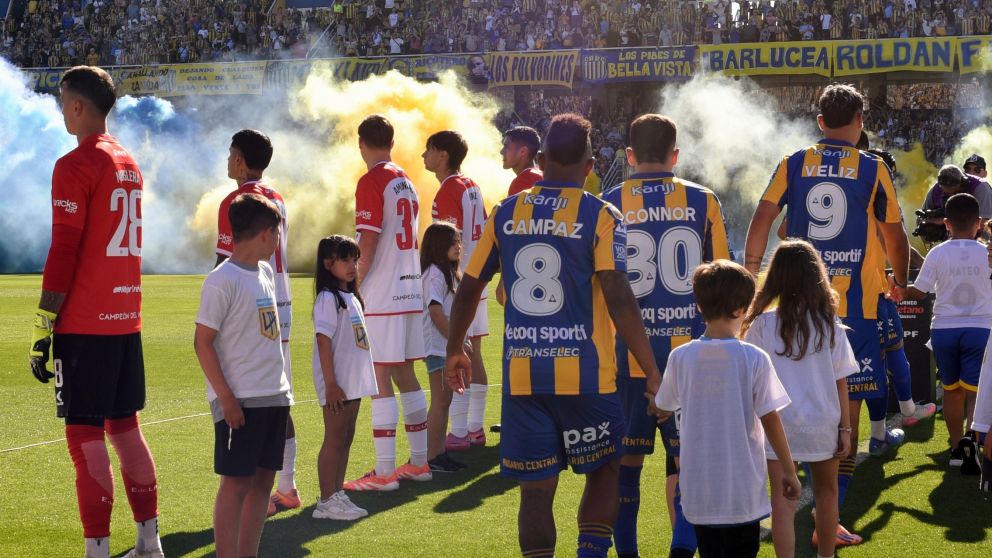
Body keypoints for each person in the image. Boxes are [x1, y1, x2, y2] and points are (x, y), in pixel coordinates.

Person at [445, 113, 663, 558]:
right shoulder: (602, 213)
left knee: (536, 491)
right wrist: (651, 371)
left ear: (540, 160)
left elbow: (468, 288)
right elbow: (619, 296)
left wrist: (455, 350)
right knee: (605, 470)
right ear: (589, 166)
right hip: (588, 376)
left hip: (524, 378)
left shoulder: (506, 212)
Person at [744, 83, 910, 547]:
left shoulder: (794, 162)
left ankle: (778, 509)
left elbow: (762, 216)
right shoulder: (873, 167)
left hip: (792, 305)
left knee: (777, 404)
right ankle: (826, 518)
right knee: (843, 421)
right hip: (852, 311)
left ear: (819, 122)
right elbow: (894, 234)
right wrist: (899, 277)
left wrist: (752, 271)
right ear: (860, 124)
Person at [29, 66, 162, 558]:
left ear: (79, 106)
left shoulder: (75, 163)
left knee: (85, 436)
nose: (61, 109)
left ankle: (97, 552)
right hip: (126, 319)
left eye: (63, 101)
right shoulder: (127, 160)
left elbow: (64, 249)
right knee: (125, 429)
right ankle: (150, 543)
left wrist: (44, 324)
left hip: (86, 323)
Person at [601, 113, 731, 558]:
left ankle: (629, 554)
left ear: (630, 156)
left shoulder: (609, 202)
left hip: (626, 359)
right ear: (676, 155)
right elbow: (725, 282)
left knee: (626, 466)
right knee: (687, 462)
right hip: (692, 359)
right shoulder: (703, 200)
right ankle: (681, 548)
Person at [656, 260, 800, 558]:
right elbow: (770, 418)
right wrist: (788, 468)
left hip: (699, 491)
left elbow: (664, 404)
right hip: (741, 492)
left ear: (698, 306)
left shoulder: (681, 357)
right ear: (741, 309)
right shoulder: (753, 358)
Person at [741, 240, 856, 558]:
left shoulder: (761, 325)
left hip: (777, 425)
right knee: (827, 492)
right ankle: (827, 556)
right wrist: (846, 429)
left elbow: (751, 381)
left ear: (776, 276)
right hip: (823, 422)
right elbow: (841, 381)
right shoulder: (830, 325)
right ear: (815, 275)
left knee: (782, 500)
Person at [194, 193, 293, 558]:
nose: (279, 241)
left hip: (274, 395)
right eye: (278, 233)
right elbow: (202, 343)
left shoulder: (265, 272)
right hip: (241, 400)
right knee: (236, 484)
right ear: (268, 234)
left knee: (264, 482)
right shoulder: (222, 280)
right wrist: (226, 398)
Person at [214, 129, 300, 516]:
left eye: (232, 154)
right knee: (277, 394)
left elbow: (225, 263)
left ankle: (254, 493)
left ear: (241, 161)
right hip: (279, 301)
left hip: (249, 305)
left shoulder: (237, 201)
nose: (228, 160)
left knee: (246, 395)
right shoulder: (278, 197)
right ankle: (287, 485)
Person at [346, 114, 430, 491]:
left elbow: (368, 240)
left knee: (379, 375)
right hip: (411, 289)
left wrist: (353, 282)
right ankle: (419, 462)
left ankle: (383, 473)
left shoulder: (372, 179)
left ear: (361, 143)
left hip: (382, 293)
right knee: (404, 373)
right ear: (392, 143)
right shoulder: (406, 180)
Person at [905, 193, 992, 475]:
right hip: (981, 328)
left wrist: (899, 290)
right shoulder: (986, 252)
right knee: (976, 392)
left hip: (944, 328)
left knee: (952, 392)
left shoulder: (937, 252)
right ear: (979, 223)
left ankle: (957, 449)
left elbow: (919, 291)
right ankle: (973, 444)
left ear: (946, 224)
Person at [422, 130, 491, 453]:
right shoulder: (473, 185)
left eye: (429, 150)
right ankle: (474, 427)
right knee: (473, 350)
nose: (424, 155)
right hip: (479, 278)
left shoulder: (449, 189)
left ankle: (461, 430)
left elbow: (448, 241)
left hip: (460, 285)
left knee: (460, 349)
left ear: (443, 155)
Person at [311, 235, 378, 520]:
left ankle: (337, 492)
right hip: (338, 382)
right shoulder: (328, 298)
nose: (353, 265)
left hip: (353, 380)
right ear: (328, 264)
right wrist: (331, 384)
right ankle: (326, 501)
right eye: (345, 260)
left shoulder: (351, 296)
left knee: (347, 437)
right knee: (335, 438)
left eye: (355, 259)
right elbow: (323, 342)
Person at [420, 222, 470, 472]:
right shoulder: (434, 274)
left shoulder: (448, 273)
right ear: (438, 246)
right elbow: (435, 311)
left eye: (459, 242)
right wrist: (456, 342)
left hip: (445, 346)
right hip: (439, 348)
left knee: (445, 400)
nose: (458, 247)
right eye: (452, 243)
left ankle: (437, 452)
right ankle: (431, 456)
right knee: (440, 401)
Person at [497, 125, 544, 307]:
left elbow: (518, 231)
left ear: (523, 151)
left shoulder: (523, 181)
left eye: (507, 146)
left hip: (529, 268)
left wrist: (504, 276)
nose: (502, 151)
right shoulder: (540, 175)